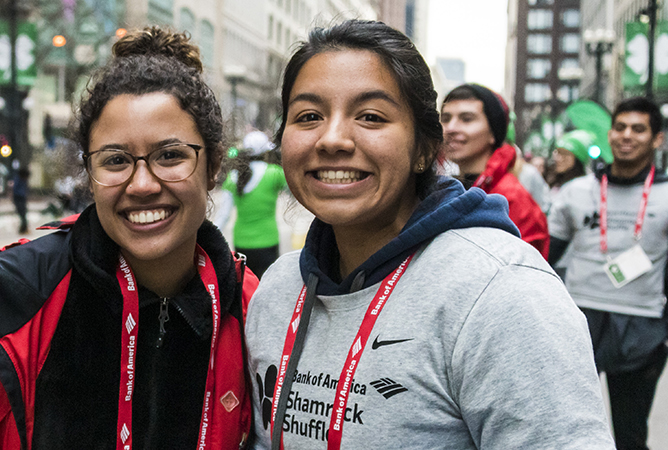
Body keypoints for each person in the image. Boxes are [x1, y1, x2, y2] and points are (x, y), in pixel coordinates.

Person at [245, 20, 612, 449]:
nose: (332, 139)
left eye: (370, 116)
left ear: (424, 150)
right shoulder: (276, 290)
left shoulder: (501, 292)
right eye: (308, 116)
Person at [0, 27, 256, 449]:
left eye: (170, 155)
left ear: (213, 164)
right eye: (117, 160)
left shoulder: (253, 306)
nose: (142, 184)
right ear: (89, 171)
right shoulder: (11, 292)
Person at [546, 97, 668, 450]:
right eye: (620, 127)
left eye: (638, 129)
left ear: (656, 139)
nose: (626, 136)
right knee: (561, 433)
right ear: (610, 132)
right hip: (577, 319)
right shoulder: (577, 191)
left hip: (641, 327)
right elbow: (543, 257)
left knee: (630, 437)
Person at [439, 83, 550, 258]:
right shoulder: (442, 189)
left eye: (466, 119)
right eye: (445, 118)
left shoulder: (513, 199)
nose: (450, 128)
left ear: (493, 132)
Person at [219, 132, 286, 277]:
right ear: (265, 151)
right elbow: (298, 190)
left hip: (241, 243)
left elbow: (223, 215)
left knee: (246, 292)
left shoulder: (233, 177)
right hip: (268, 241)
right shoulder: (274, 173)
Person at [545, 129, 595, 194]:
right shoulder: (553, 185)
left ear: (577, 158)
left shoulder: (586, 188)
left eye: (564, 154)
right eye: (558, 152)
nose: (558, 158)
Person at [11, 160, 31, 234]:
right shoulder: (20, 180)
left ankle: (23, 227)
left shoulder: (21, 180)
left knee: (23, 213)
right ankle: (23, 228)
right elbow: (16, 189)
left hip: (21, 197)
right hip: (19, 197)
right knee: (22, 213)